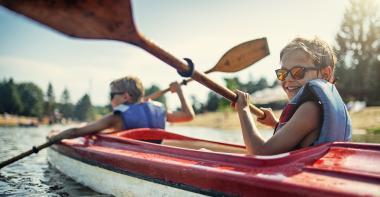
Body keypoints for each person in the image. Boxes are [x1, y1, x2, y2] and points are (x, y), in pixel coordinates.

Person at [234, 37, 352, 155]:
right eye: (283, 74)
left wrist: (243, 109)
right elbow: (303, 136)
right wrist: (275, 124)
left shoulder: (310, 109)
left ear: (325, 74)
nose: (288, 79)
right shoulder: (317, 109)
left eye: (298, 72)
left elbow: (260, 152)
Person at [49, 76, 195, 142]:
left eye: (112, 95)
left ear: (125, 97)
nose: (110, 99)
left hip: (132, 161)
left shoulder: (116, 118)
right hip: (157, 157)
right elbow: (188, 116)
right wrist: (180, 92)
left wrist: (54, 138)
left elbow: (76, 132)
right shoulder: (160, 111)